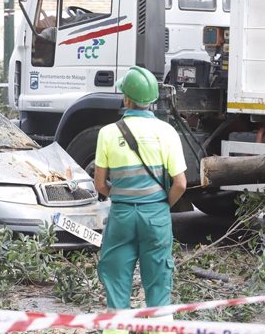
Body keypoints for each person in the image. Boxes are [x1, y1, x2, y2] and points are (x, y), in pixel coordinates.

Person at [94, 66, 187, 331]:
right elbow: (180, 183)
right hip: (155, 215)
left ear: (127, 99)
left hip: (122, 216)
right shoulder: (167, 132)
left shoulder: (108, 133)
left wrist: (122, 197)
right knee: (158, 283)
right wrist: (160, 205)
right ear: (152, 100)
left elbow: (100, 184)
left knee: (116, 281)